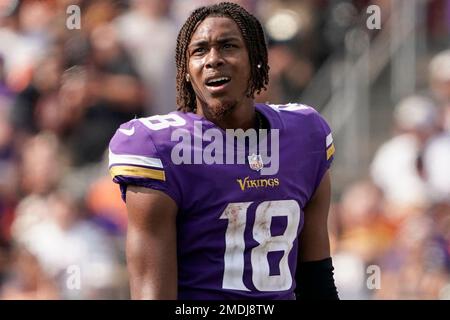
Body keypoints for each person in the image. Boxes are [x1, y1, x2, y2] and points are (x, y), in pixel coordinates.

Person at [108, 2, 338, 300]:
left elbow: (316, 279)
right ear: (186, 70)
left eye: (228, 46)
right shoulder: (158, 148)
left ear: (256, 59)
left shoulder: (304, 135)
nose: (213, 59)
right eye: (199, 50)